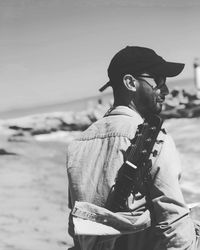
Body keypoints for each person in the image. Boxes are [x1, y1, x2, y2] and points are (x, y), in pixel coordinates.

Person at [66, 46, 200, 250]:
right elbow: (176, 230)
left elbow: (78, 225)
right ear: (130, 82)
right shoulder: (154, 138)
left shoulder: (77, 146)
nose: (165, 90)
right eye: (159, 80)